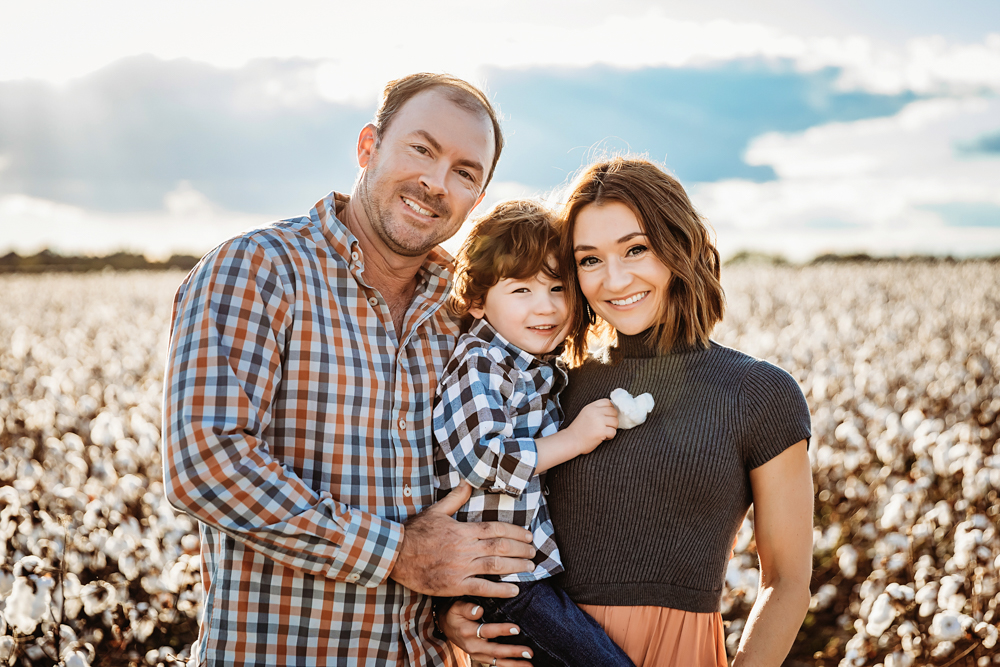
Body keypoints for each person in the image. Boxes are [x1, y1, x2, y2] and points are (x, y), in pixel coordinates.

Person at [161, 73, 540, 667]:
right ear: (368, 147)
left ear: (478, 199)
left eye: (465, 172)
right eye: (422, 149)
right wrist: (395, 554)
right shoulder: (258, 270)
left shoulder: (467, 313)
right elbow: (205, 463)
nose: (436, 183)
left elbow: (479, 486)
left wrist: (460, 617)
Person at [441, 156, 814, 667]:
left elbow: (788, 583)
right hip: (548, 644)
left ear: (679, 246)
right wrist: (455, 613)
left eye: (635, 249)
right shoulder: (556, 387)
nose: (614, 280)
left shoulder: (758, 393)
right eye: (589, 260)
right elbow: (475, 503)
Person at [431, 200, 634, 667]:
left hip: (525, 578)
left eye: (558, 288)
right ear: (478, 301)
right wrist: (575, 439)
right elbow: (482, 458)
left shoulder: (538, 369)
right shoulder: (481, 363)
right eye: (521, 289)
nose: (546, 307)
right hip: (501, 581)